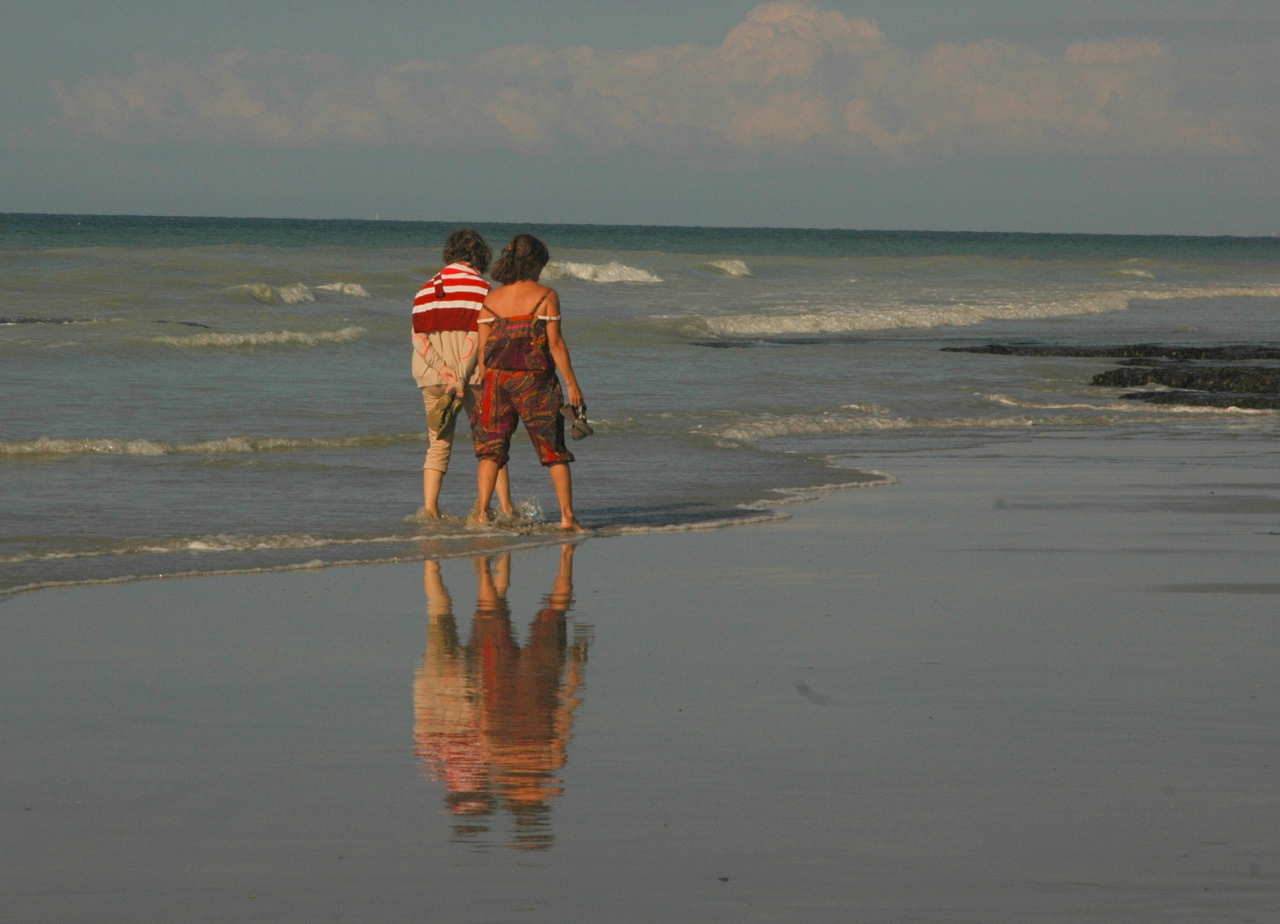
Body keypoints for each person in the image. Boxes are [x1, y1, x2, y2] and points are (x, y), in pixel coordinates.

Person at [471, 234, 587, 531]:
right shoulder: (546, 296)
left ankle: (482, 514)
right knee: (553, 450)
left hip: (495, 382)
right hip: (535, 381)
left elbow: (484, 353)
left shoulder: (490, 299)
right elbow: (556, 343)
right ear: (535, 263)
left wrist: (483, 386)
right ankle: (567, 517)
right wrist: (572, 384)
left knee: (491, 451)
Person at [411, 228, 512, 519]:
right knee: (491, 444)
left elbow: (419, 338)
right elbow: (475, 338)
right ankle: (502, 508)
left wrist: (443, 371)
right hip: (474, 378)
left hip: (432, 377)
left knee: (438, 444)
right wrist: (458, 378)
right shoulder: (482, 290)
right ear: (479, 255)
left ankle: (430, 510)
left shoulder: (426, 289)